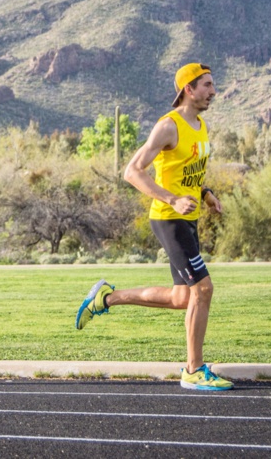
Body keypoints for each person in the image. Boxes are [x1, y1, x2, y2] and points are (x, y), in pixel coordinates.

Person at [75, 63, 233, 391]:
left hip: (187, 220)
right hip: (168, 218)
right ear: (188, 89)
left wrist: (204, 194)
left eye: (212, 85)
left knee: (181, 297)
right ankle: (193, 369)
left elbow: (185, 171)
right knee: (203, 290)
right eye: (206, 85)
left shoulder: (200, 125)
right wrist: (172, 200)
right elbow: (132, 171)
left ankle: (106, 298)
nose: (212, 92)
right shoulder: (168, 125)